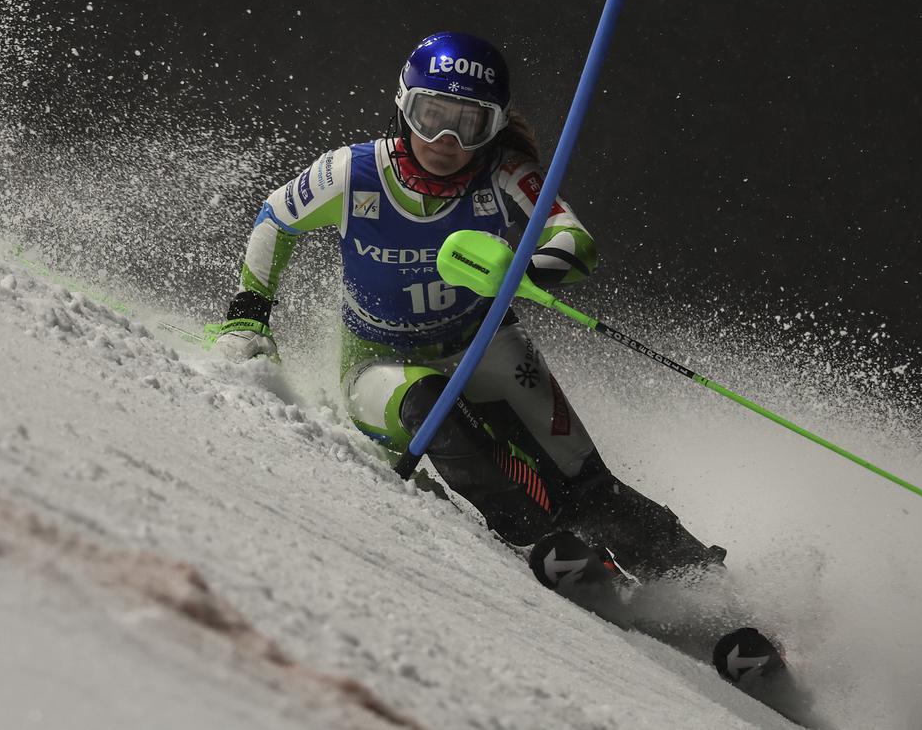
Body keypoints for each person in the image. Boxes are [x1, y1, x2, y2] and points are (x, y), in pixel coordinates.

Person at [210, 31, 725, 583]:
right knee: (435, 412)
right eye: (431, 115)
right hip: (379, 362)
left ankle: (707, 588)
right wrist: (249, 311)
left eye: (470, 122)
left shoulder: (502, 174)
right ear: (404, 105)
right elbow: (274, 220)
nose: (447, 138)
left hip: (484, 341)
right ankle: (553, 549)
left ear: (495, 126)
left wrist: (523, 269)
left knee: (586, 480)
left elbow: (576, 241)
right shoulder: (350, 174)